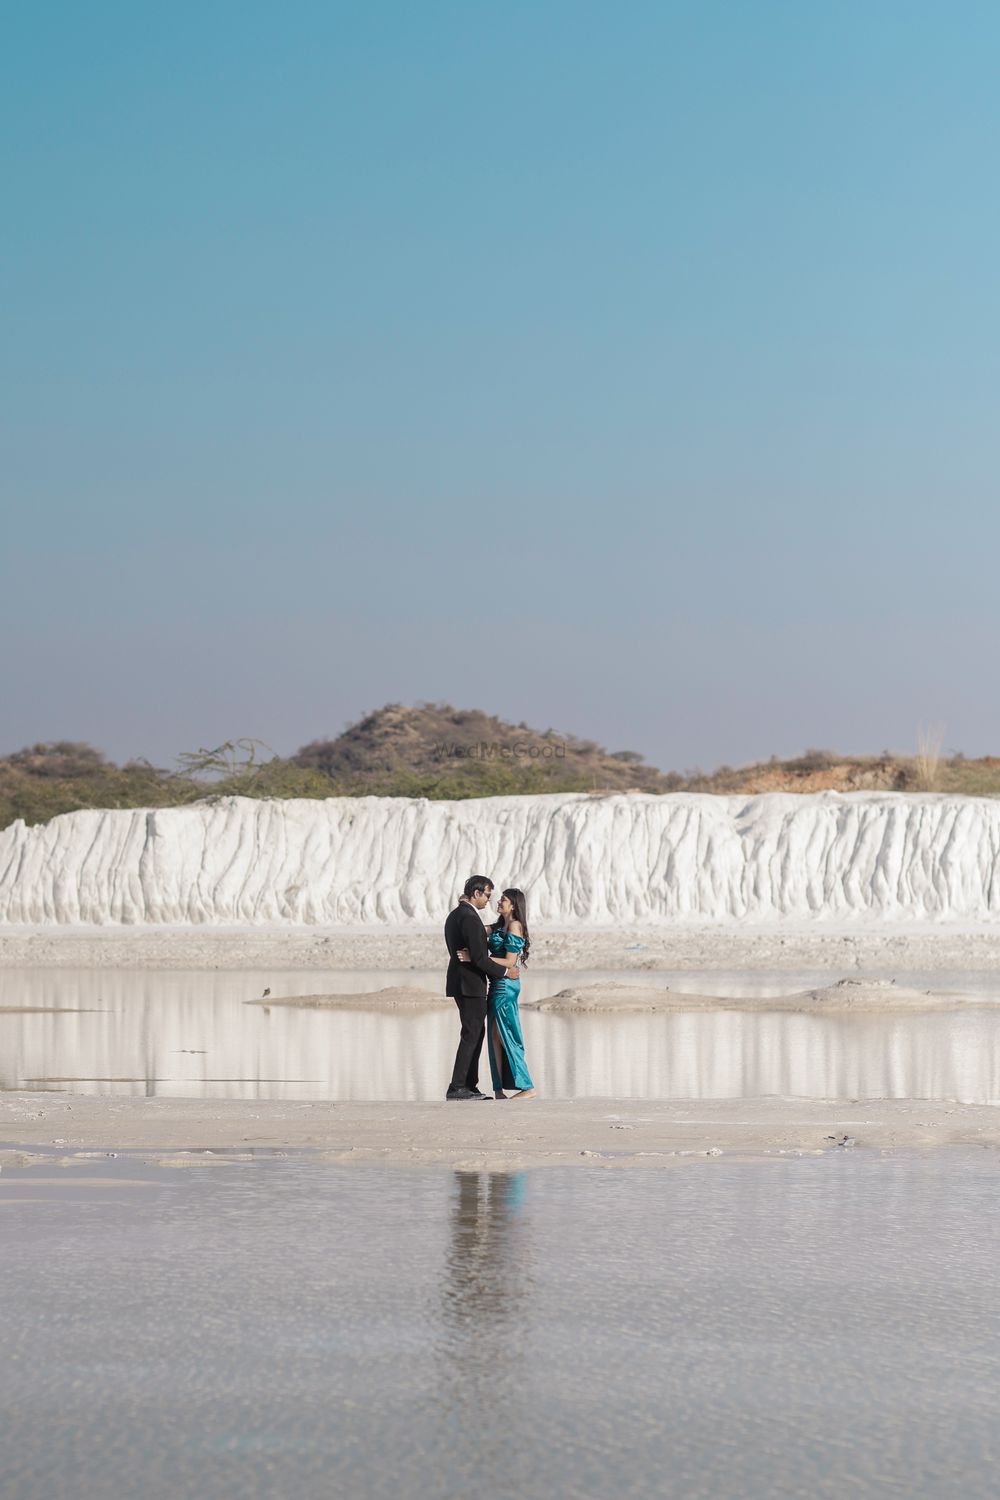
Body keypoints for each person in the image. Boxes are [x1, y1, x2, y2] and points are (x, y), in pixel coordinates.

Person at [444, 876, 519, 1101]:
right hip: (469, 984)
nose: (489, 900)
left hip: (464, 982)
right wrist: (506, 972)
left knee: (475, 1032)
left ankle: (469, 1085)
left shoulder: (457, 914)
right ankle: (458, 1086)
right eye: (487, 895)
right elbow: (479, 958)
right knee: (472, 1033)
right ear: (476, 894)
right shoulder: (468, 917)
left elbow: (475, 954)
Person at [483, 888, 535, 1099]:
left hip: (505, 985)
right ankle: (498, 1090)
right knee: (495, 1036)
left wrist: (479, 959)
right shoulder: (499, 926)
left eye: (503, 899)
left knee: (506, 1036)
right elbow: (476, 928)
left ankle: (527, 1087)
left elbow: (509, 962)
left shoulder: (514, 926)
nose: (499, 901)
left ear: (513, 905)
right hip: (496, 983)